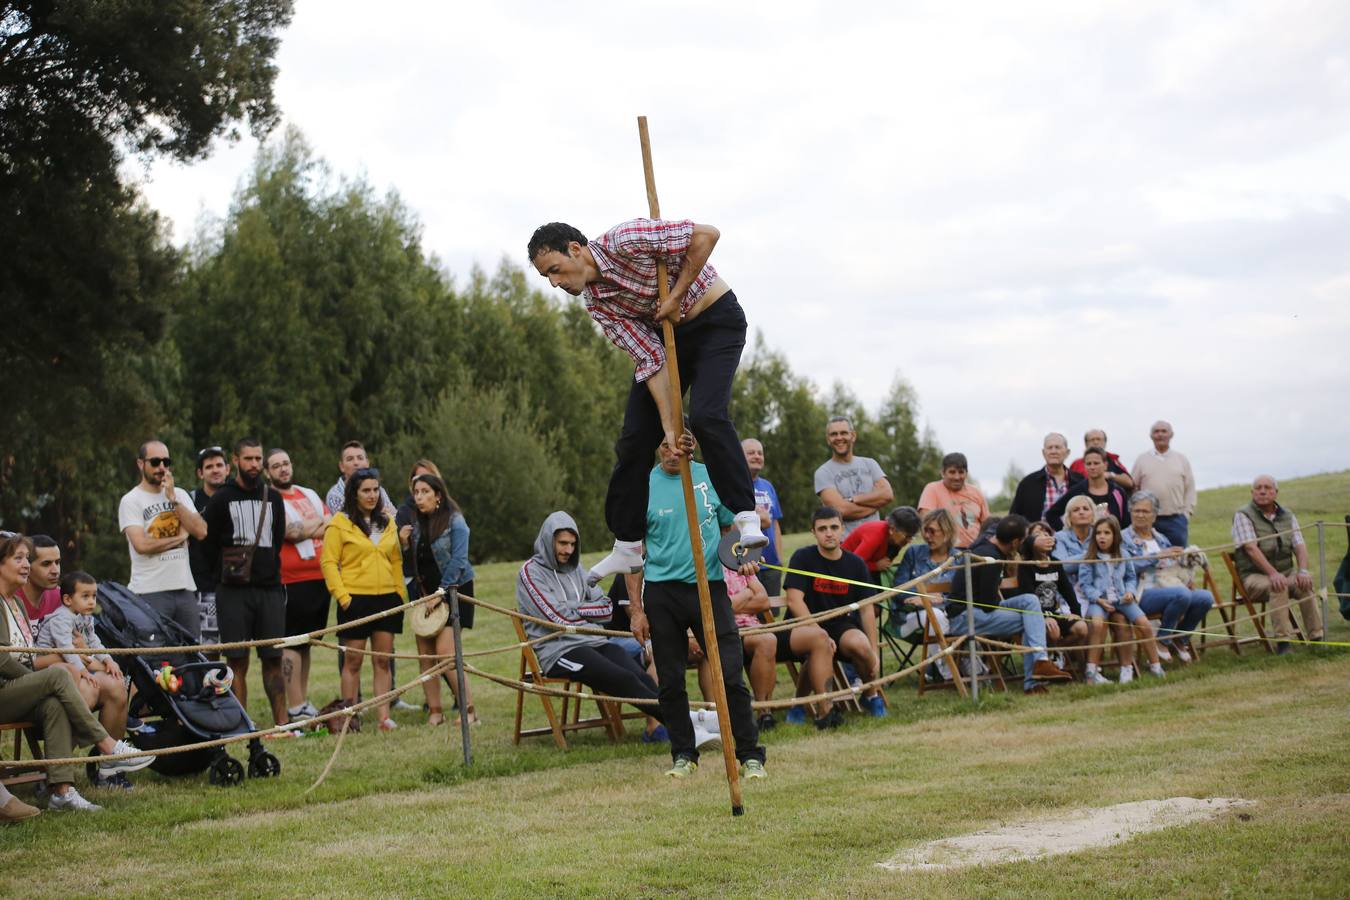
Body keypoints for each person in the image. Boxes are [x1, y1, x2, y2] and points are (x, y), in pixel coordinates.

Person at [527, 220, 767, 586]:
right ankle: (627, 543)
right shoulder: (598, 305)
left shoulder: (626, 240)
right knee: (635, 438)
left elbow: (707, 236)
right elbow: (652, 360)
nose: (555, 283)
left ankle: (744, 514)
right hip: (671, 340)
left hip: (716, 320)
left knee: (705, 415)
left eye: (555, 271)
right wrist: (670, 428)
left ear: (575, 249)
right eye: (547, 277)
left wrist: (676, 295)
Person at [624, 437, 766, 779]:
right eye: (662, 445)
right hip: (661, 593)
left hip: (709, 589)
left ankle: (750, 756)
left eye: (677, 445)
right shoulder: (643, 485)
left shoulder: (709, 477)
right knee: (670, 681)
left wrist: (745, 560)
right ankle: (684, 754)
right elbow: (632, 552)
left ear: (691, 445)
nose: (670, 452)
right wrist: (637, 610)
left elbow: (735, 529)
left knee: (731, 674)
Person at [0, 533, 153, 811]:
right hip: (5, 689)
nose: (25, 564)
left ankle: (61, 791)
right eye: (18, 558)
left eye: (26, 558)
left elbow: (30, 657)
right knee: (59, 675)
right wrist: (48, 672)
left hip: (20, 688)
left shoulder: (15, 603)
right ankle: (108, 746)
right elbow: (2, 662)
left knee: (54, 705)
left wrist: (84, 662)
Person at [516, 511, 665, 737]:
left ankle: (678, 721)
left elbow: (606, 608)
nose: (568, 550)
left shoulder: (577, 570)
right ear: (548, 540)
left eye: (572, 544)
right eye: (562, 543)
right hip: (560, 651)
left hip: (594, 641)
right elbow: (557, 618)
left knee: (639, 675)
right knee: (621, 679)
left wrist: (573, 607)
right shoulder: (530, 573)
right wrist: (582, 610)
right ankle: (683, 724)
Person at [200, 438, 291, 728]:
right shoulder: (222, 498)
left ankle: (282, 723)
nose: (254, 464)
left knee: (273, 658)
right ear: (235, 461)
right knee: (236, 661)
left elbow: (276, 540)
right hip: (232, 591)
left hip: (269, 589)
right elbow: (208, 542)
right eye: (248, 458)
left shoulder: (273, 497)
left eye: (258, 458)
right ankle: (241, 725)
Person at [943, 515, 1073, 694]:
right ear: (1015, 542)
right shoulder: (992, 559)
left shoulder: (985, 543)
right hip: (964, 617)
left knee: (1030, 600)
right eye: (1024, 540)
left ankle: (1041, 663)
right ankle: (1033, 681)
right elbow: (988, 605)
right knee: (1031, 620)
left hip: (978, 609)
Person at [321, 467, 406, 732]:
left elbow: (395, 559)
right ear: (354, 493)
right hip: (355, 600)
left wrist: (400, 593)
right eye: (365, 490)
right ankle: (349, 715)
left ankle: (384, 716)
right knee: (353, 662)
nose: (371, 495)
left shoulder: (388, 521)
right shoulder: (340, 522)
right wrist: (344, 598)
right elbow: (328, 562)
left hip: (387, 599)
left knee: (382, 660)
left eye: (375, 489)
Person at [784, 507, 887, 722]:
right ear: (813, 532)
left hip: (841, 624)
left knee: (861, 645)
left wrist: (872, 649)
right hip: (804, 625)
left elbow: (867, 608)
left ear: (842, 530)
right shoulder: (803, 557)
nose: (828, 533)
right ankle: (799, 705)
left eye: (833, 527)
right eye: (822, 529)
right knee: (818, 643)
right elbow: (794, 600)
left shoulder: (856, 564)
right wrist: (819, 631)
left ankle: (871, 696)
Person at [34, 571, 135, 786]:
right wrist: (83, 672)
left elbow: (94, 642)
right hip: (49, 671)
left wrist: (108, 660)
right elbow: (66, 649)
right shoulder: (61, 618)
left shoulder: (85, 618)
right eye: (85, 596)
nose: (91, 601)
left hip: (69, 666)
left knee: (115, 683)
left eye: (94, 596)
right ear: (68, 599)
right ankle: (56, 770)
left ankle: (108, 765)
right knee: (85, 691)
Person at [401, 472, 479, 726]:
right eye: (416, 493)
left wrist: (441, 593)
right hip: (425, 595)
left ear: (438, 495)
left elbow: (459, 561)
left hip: (454, 591)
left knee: (446, 655)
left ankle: (469, 711)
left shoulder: (455, 521)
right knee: (425, 656)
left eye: (425, 492)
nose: (420, 497)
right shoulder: (414, 524)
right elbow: (413, 564)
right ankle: (435, 711)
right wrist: (403, 544)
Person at [118, 439, 208, 640]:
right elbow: (141, 545)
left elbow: (201, 531)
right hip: (150, 590)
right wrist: (179, 539)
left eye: (166, 462)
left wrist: (173, 499)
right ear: (141, 464)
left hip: (184, 588)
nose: (161, 467)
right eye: (155, 461)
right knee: (156, 656)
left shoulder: (180, 495)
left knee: (192, 651)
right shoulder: (131, 500)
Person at [265, 448, 330, 721]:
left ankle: (302, 700)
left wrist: (306, 526)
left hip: (319, 576)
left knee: (307, 642)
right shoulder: (270, 498)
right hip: (290, 580)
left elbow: (332, 523)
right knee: (291, 641)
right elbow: (289, 533)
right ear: (268, 472)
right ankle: (294, 706)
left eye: (286, 463)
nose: (283, 469)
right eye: (276, 465)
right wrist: (315, 526)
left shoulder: (309, 494)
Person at [1231, 475, 1324, 654]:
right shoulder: (1243, 515)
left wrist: (1302, 571)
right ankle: (1283, 643)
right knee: (1278, 585)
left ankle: (1317, 638)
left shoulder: (1288, 515)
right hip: (1253, 577)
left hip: (1285, 573)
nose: (1263, 491)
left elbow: (1299, 545)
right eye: (1258, 488)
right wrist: (1273, 573)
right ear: (1252, 492)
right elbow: (1251, 549)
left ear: (1276, 492)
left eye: (1267, 487)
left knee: (1304, 584)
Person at [1123, 490, 1214, 663]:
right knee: (1181, 594)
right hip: (1140, 593)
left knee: (1204, 597)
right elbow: (1123, 567)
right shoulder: (1123, 538)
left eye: (1145, 511)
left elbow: (1174, 565)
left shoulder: (1161, 538)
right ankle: (1163, 640)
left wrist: (1187, 579)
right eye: (1136, 511)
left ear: (1154, 515)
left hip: (1171, 588)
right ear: (1130, 513)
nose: (1140, 515)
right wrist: (1156, 557)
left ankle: (1180, 638)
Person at [1077, 515, 1164, 684]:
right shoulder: (1089, 557)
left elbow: (1131, 577)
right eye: (1098, 533)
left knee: (1144, 624)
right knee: (1096, 624)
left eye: (1107, 533)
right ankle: (1091, 671)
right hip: (1100, 601)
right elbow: (1085, 585)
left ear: (1115, 535)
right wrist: (1099, 600)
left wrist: (1130, 592)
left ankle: (1154, 666)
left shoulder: (1123, 555)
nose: (1102, 536)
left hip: (1122, 599)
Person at [1017, 522, 1088, 663]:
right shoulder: (1026, 566)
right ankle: (1047, 659)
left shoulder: (1055, 562)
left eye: (1047, 534)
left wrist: (1076, 613)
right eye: (1038, 535)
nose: (1044, 537)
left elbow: (1067, 589)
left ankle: (1055, 652)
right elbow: (1029, 595)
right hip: (1035, 615)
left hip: (1054, 613)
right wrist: (1044, 617)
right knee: (1052, 631)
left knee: (1082, 628)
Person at [813, 416, 893, 536]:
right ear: (828, 439)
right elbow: (841, 510)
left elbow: (887, 494)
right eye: (834, 434)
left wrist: (853, 500)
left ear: (853, 436)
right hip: (846, 545)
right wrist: (876, 505)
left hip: (876, 539)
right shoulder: (823, 472)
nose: (839, 438)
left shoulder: (870, 463)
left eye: (844, 433)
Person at [189, 445, 230, 650]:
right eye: (209, 466)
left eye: (219, 465)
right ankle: (210, 684)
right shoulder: (190, 500)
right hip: (203, 586)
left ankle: (233, 685)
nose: (215, 470)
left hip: (234, 585)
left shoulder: (235, 496)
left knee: (236, 650)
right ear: (200, 472)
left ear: (228, 469)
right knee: (209, 648)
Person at [1130, 421, 1196, 547]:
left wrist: (1186, 514)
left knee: (1178, 558)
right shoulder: (1142, 460)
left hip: (1175, 520)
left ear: (1171, 435)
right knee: (1150, 558)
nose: (1160, 435)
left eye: (1164, 431)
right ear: (1151, 436)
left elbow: (1190, 489)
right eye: (1156, 432)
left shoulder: (1181, 459)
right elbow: (1133, 488)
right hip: (1147, 520)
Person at [1045, 447, 1129, 530]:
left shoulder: (1118, 492)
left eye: (1096, 463)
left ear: (1105, 465)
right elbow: (1051, 515)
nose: (1092, 467)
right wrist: (1067, 534)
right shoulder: (1076, 491)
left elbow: (1126, 522)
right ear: (1084, 466)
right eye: (1089, 464)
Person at [742, 438, 785, 597]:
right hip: (748, 563)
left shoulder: (768, 486)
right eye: (751, 453)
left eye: (760, 453)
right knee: (752, 616)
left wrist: (779, 557)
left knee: (773, 613)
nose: (757, 456)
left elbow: (774, 523)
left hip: (772, 565)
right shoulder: (735, 486)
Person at [918, 452, 990, 547]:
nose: (957, 477)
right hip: (946, 550)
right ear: (943, 473)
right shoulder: (932, 489)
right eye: (952, 472)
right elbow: (926, 523)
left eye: (961, 472)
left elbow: (988, 524)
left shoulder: (976, 492)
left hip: (976, 549)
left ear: (966, 473)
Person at [1009, 433, 1084, 523]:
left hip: (1073, 536)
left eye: (1057, 447)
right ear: (1043, 453)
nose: (1053, 451)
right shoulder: (1028, 483)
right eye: (1049, 448)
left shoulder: (1080, 481)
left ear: (1067, 452)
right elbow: (1014, 517)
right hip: (1038, 535)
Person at [842, 507, 921, 581]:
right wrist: (875, 566)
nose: (909, 541)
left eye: (912, 537)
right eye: (907, 536)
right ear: (892, 529)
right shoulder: (876, 536)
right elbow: (852, 564)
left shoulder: (896, 541)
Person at [325, 441, 395, 516]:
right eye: (350, 459)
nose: (356, 462)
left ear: (367, 463)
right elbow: (347, 524)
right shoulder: (335, 496)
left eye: (360, 458)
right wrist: (380, 516)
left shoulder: (378, 489)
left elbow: (394, 516)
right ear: (341, 466)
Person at [1052, 494, 1098, 592]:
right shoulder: (1059, 537)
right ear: (1069, 516)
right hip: (1070, 594)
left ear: (1093, 513)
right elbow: (1063, 566)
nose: (1081, 512)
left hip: (1097, 591)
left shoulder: (1100, 535)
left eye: (1086, 509)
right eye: (1076, 510)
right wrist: (1092, 554)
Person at [15, 534, 62, 626]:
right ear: (26, 566)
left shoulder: (60, 597)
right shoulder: (9, 598)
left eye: (57, 562)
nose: (55, 571)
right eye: (46, 564)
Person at [1068, 429, 1134, 491]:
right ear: (1086, 444)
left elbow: (1129, 483)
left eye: (1099, 439)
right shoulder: (1076, 464)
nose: (1096, 442)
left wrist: (1110, 475)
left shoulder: (1113, 460)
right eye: (1092, 440)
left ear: (1105, 442)